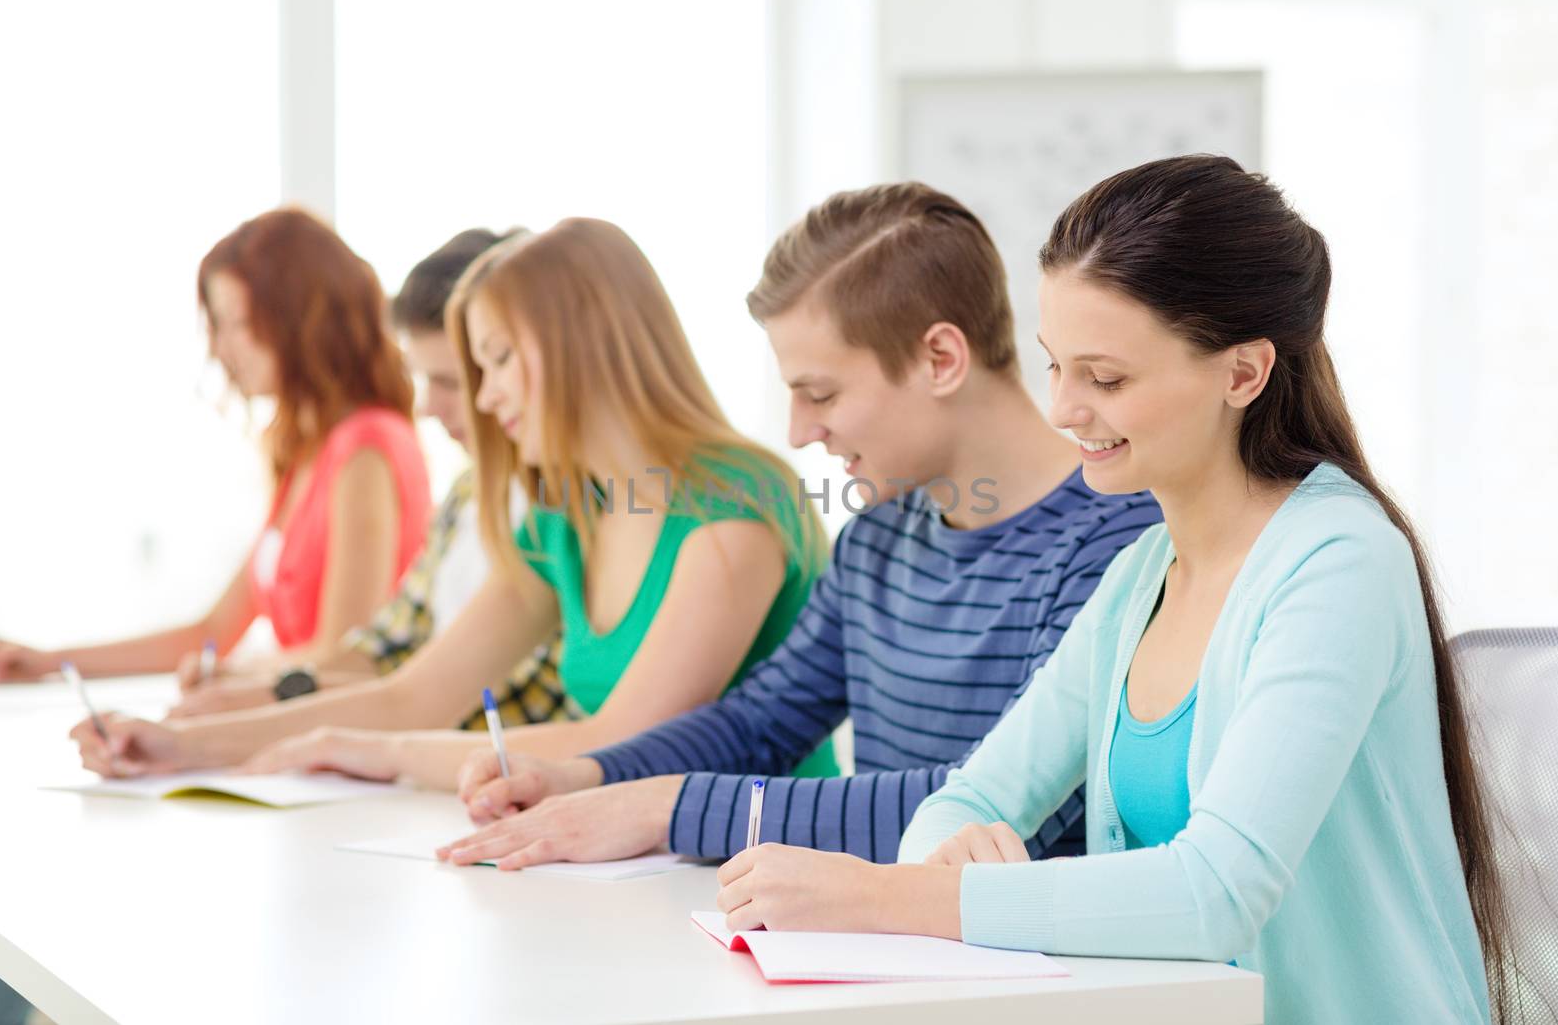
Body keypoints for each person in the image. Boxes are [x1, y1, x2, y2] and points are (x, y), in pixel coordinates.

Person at [710, 157, 1506, 1025]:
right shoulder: (1141, 576)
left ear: (1242, 374)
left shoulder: (1338, 562)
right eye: (1056, 365)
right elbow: (963, 800)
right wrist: (950, 852)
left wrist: (885, 896)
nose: (1062, 407)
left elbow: (1215, 892)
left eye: (1107, 378)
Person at [425, 181, 1160, 871]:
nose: (800, 430)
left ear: (940, 358)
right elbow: (760, 721)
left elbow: (1000, 802)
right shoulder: (878, 538)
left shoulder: (1115, 539)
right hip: (899, 945)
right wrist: (580, 774)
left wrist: (668, 807)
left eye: (821, 392)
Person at [71, 219, 838, 785]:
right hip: (635, 865)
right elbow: (417, 692)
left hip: (760, 885)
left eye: (499, 359)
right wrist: (184, 747)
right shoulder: (565, 514)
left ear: (579, 346)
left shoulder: (737, 507)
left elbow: (621, 741)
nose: (485, 394)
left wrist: (362, 750)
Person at [0, 208, 432, 685]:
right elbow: (212, 633)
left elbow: (342, 656)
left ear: (300, 318)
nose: (221, 348)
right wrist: (50, 662)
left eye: (238, 323)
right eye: (218, 325)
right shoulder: (306, 455)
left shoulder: (366, 446)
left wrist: (231, 676)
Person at [168, 227, 571, 731]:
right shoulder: (470, 490)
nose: (223, 348)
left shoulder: (582, 502)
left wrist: (255, 716)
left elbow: (433, 694)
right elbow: (390, 655)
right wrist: (257, 699)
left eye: (239, 323)